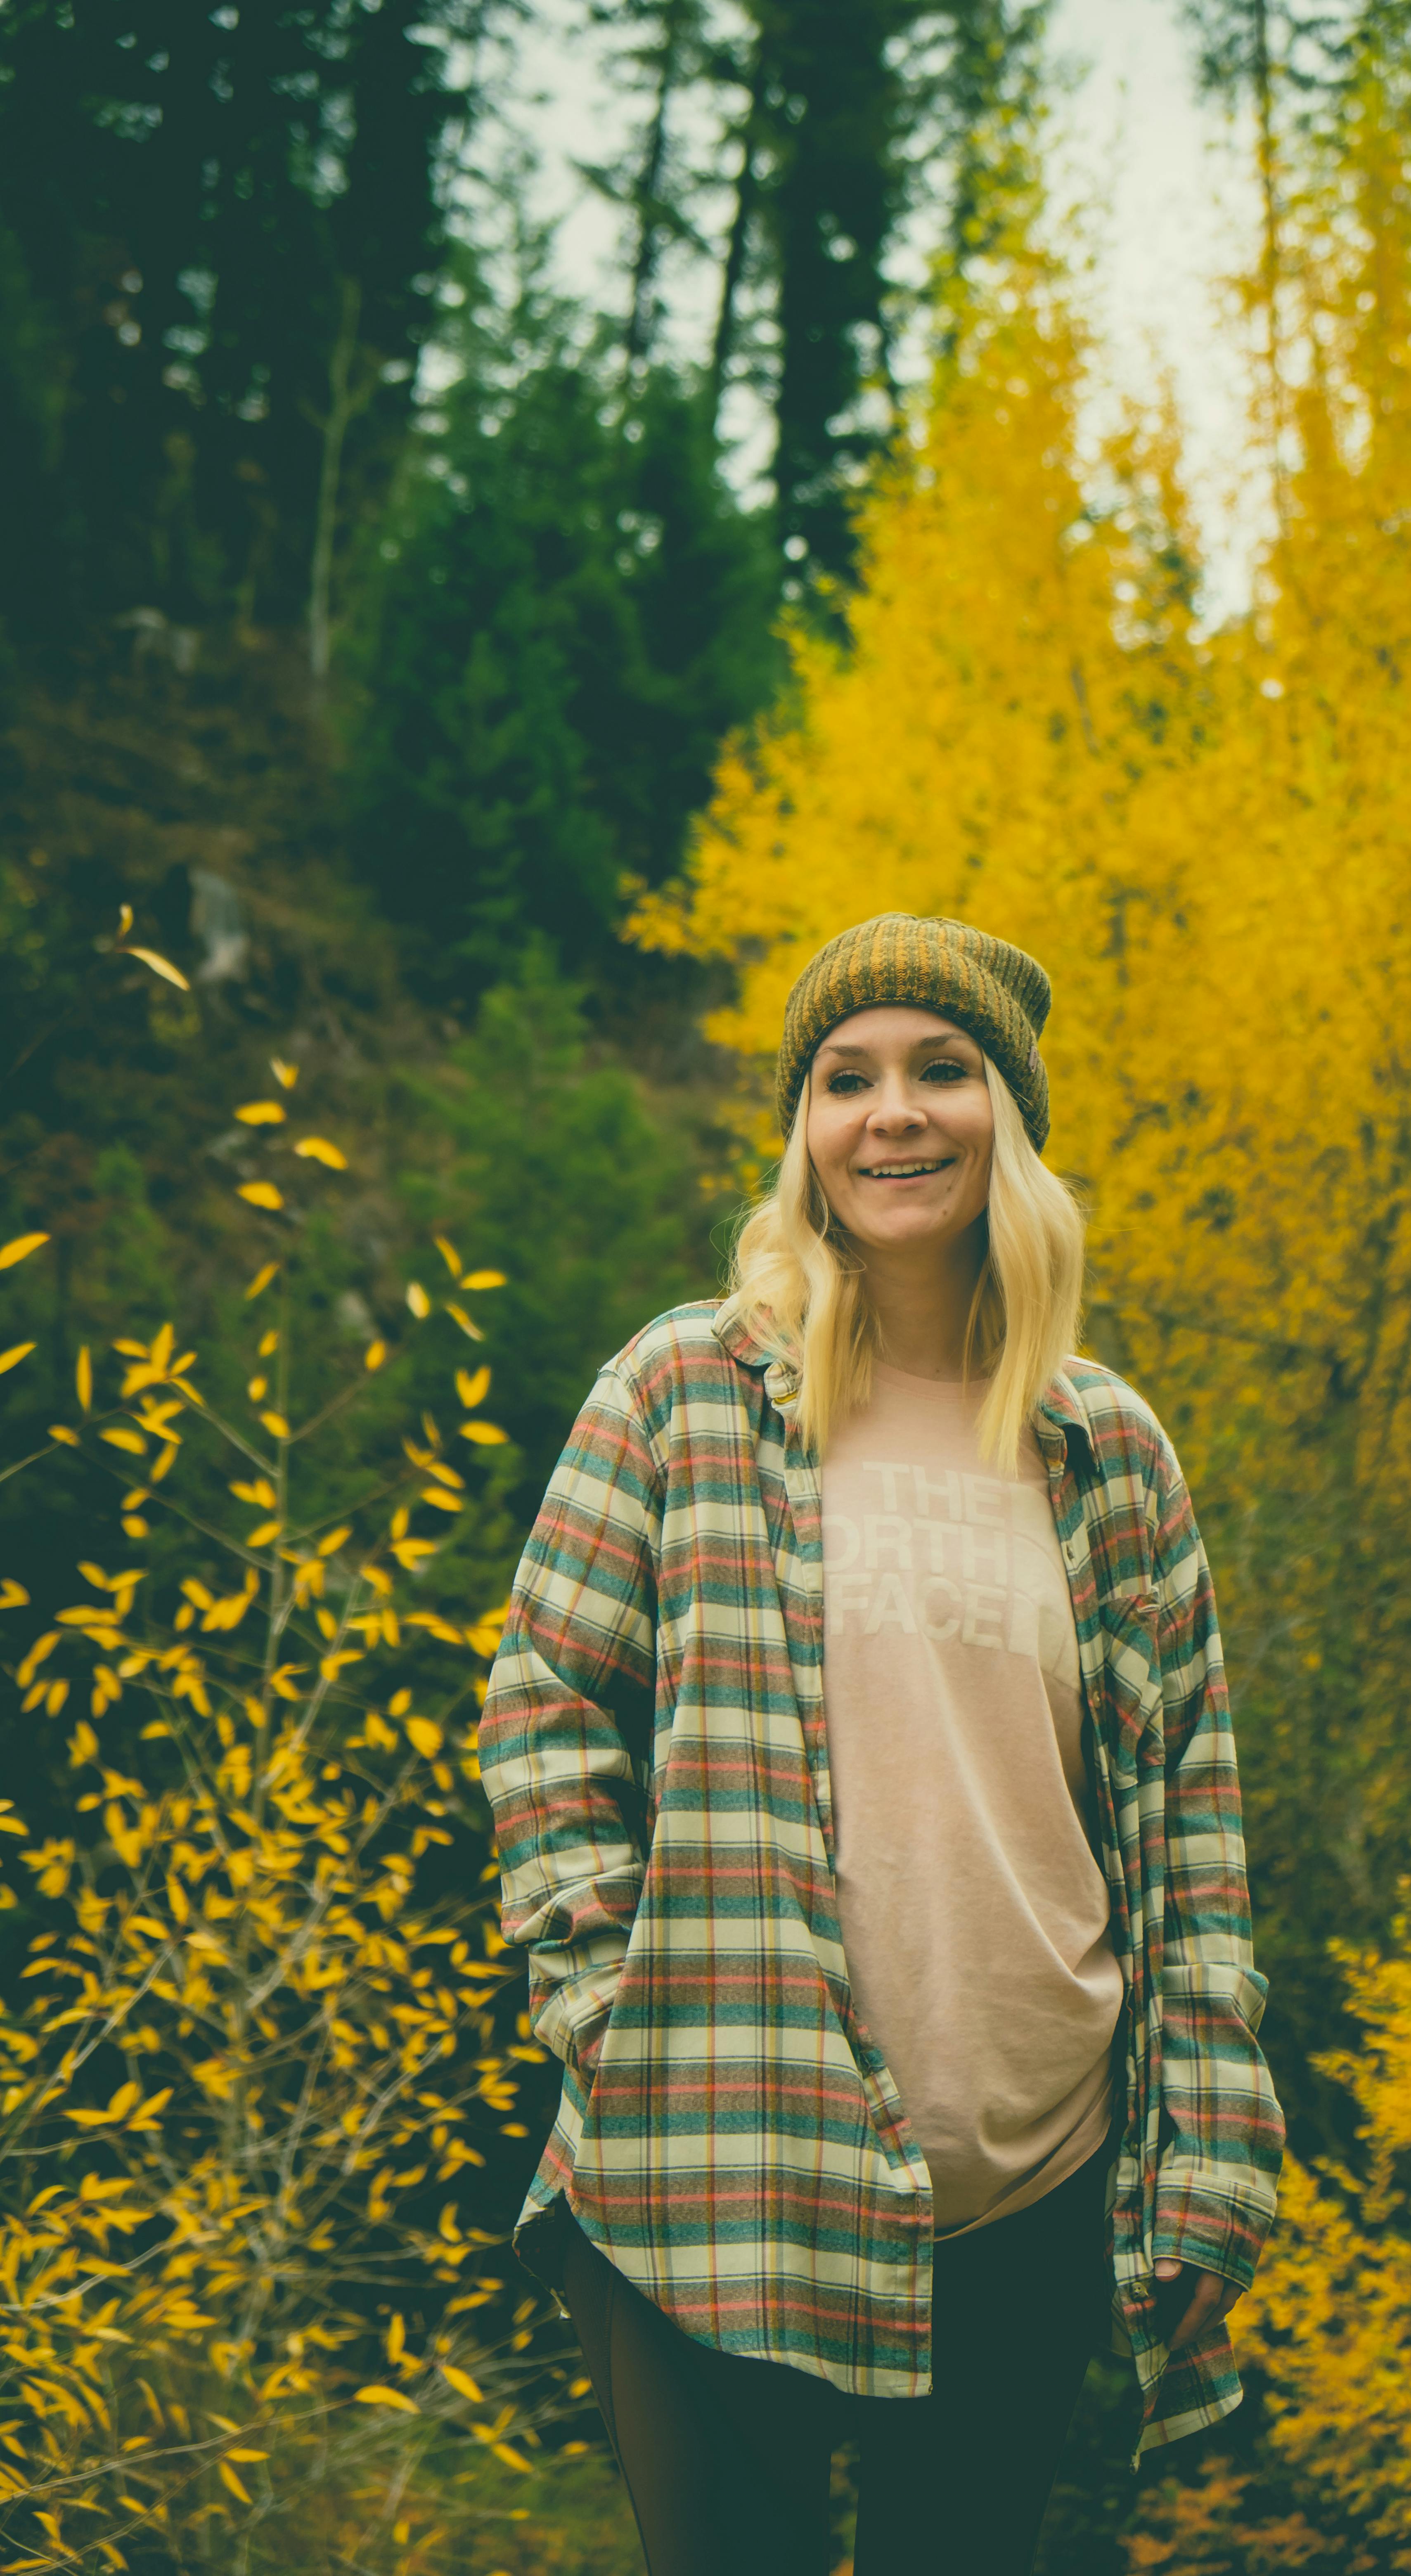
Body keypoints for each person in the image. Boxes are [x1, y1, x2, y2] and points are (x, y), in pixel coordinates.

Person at [479, 914, 1283, 2576]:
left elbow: (1187, 1830)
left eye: (942, 1070)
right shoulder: (680, 1394)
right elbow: (543, 1702)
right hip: (718, 2147)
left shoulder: (1107, 1449)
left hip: (1032, 2177)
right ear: (801, 1133)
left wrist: (1206, 2140)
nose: (893, 1113)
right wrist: (601, 2005)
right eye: (846, 1080)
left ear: (1011, 1118)